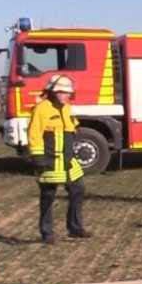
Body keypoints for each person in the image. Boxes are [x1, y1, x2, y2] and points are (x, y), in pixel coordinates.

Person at [27, 75, 90, 244]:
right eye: (63, 92)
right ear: (54, 92)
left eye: (68, 93)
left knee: (78, 189)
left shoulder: (66, 108)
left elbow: (71, 123)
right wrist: (38, 157)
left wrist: (77, 130)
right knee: (48, 196)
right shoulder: (42, 109)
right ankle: (47, 234)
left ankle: (75, 228)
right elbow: (34, 134)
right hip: (50, 160)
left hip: (69, 160)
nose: (67, 95)